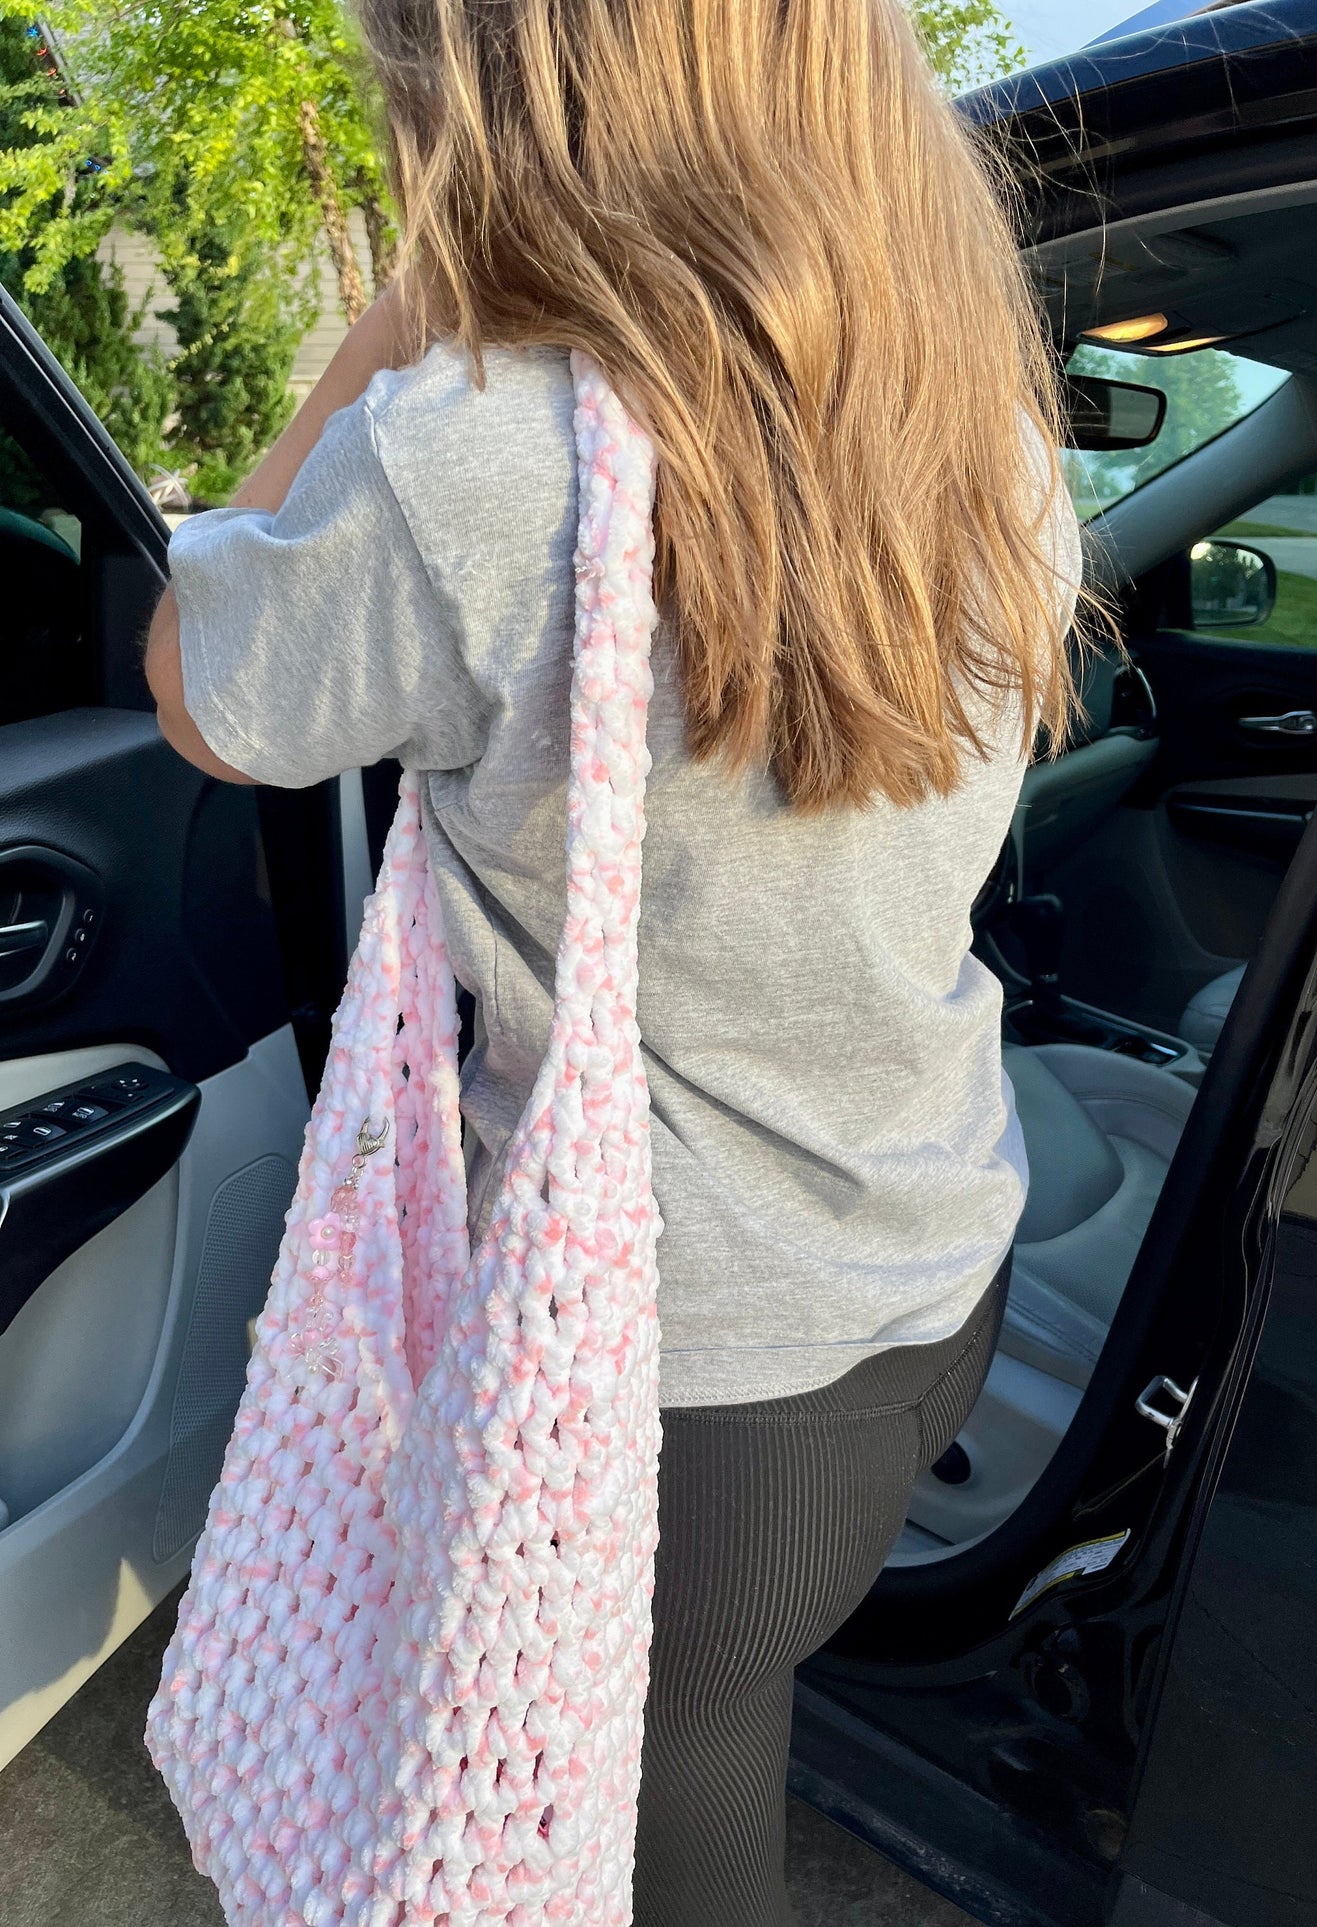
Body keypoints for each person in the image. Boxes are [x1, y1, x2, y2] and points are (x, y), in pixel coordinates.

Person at [144, 2, 1082, 1920]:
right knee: (688, 1761)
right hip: (921, 1273)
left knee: (639, 1848)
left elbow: (196, 689)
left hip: (667, 1376)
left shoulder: (479, 452)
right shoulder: (974, 418)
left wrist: (404, 308)